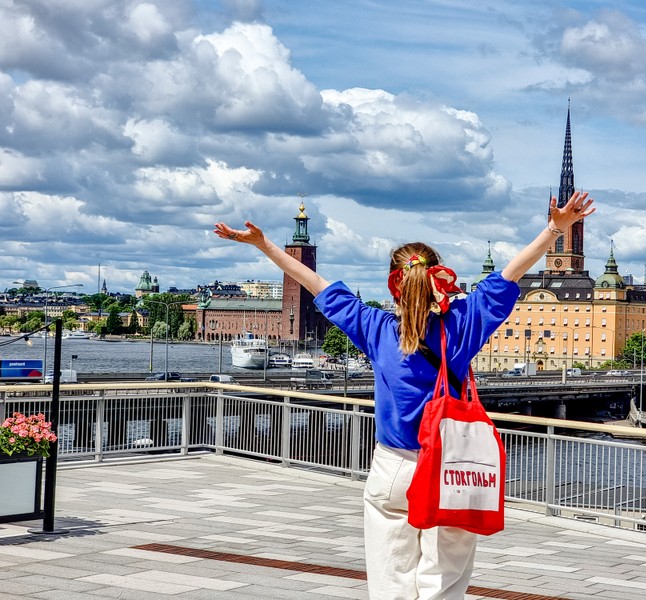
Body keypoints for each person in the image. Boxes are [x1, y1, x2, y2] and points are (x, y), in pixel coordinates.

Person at [214, 191, 594, 599]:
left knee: (390, 583)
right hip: (451, 468)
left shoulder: (375, 328)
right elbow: (509, 275)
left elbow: (317, 285)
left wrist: (264, 244)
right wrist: (556, 228)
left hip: (393, 469)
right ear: (438, 279)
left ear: (395, 285)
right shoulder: (461, 325)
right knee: (441, 584)